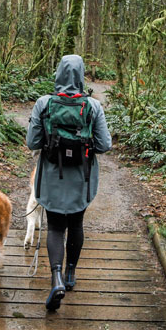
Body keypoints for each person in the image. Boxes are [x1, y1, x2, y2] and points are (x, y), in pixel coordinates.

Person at [27, 54, 111, 311]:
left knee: (55, 227)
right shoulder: (93, 107)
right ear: (81, 74)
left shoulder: (44, 103)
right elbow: (104, 145)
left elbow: (32, 142)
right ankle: (71, 273)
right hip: (81, 177)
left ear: (58, 74)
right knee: (76, 223)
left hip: (52, 175)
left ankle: (56, 278)